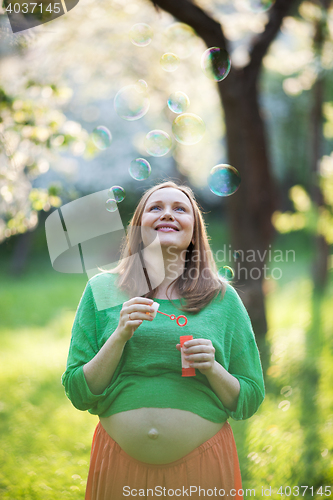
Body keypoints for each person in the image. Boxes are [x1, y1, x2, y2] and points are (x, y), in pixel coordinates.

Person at [61, 181, 265, 500]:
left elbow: (249, 398)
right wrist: (120, 336)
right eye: (156, 208)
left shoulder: (222, 297)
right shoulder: (101, 290)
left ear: (194, 231)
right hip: (119, 468)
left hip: (203, 468)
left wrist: (212, 368)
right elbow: (78, 391)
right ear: (138, 227)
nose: (167, 213)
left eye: (180, 208)